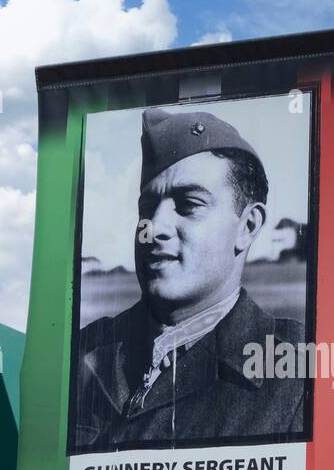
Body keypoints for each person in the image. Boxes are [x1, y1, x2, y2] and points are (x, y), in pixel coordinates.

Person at [72, 106, 306, 450]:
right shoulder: (84, 350)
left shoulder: (294, 366)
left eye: (189, 204)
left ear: (248, 226)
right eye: (146, 208)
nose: (154, 228)